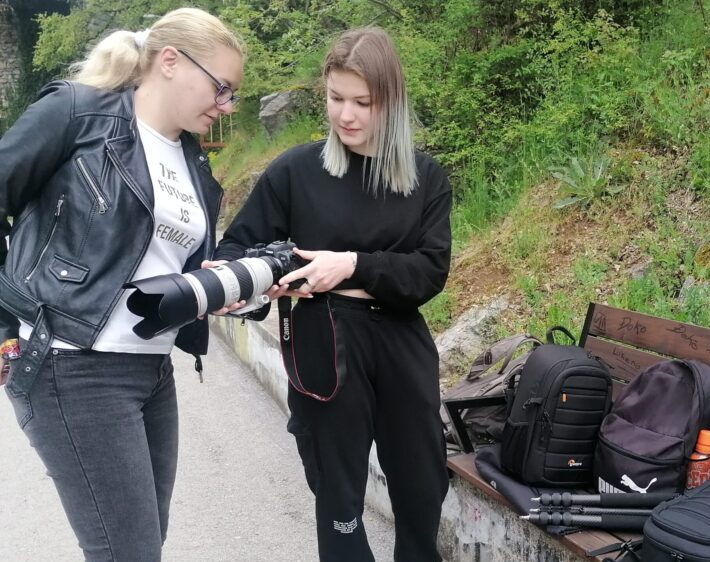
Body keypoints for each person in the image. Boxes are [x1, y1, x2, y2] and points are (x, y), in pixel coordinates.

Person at [0, 8, 243, 561]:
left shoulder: (191, 160)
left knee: (139, 544)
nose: (226, 106)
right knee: (127, 552)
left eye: (232, 95)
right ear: (171, 61)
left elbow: (157, 261)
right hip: (72, 363)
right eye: (222, 88)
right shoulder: (77, 112)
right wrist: (0, 326)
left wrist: (220, 283)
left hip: (152, 369)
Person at [214, 26, 452, 562]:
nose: (346, 115)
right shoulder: (296, 172)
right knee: (337, 489)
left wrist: (351, 265)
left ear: (389, 100)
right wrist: (258, 284)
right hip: (322, 339)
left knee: (421, 481)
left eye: (363, 102)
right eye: (335, 98)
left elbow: (429, 272)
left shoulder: (425, 178)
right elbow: (237, 251)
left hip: (399, 339)